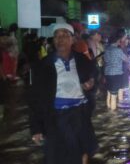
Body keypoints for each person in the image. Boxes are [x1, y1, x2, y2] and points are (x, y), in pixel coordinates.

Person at [29, 23, 98, 164]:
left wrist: (91, 83)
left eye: (65, 35)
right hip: (56, 117)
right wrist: (36, 127)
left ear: (73, 39)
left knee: (84, 152)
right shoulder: (44, 65)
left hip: (80, 115)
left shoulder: (82, 60)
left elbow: (94, 75)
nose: (61, 39)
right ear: (53, 40)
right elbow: (35, 97)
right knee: (56, 157)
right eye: (57, 36)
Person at [104, 29, 129, 111]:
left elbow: (106, 60)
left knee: (109, 94)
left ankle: (108, 109)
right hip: (116, 74)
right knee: (114, 96)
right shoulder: (118, 50)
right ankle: (113, 116)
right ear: (117, 41)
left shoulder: (107, 49)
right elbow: (126, 60)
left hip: (107, 73)